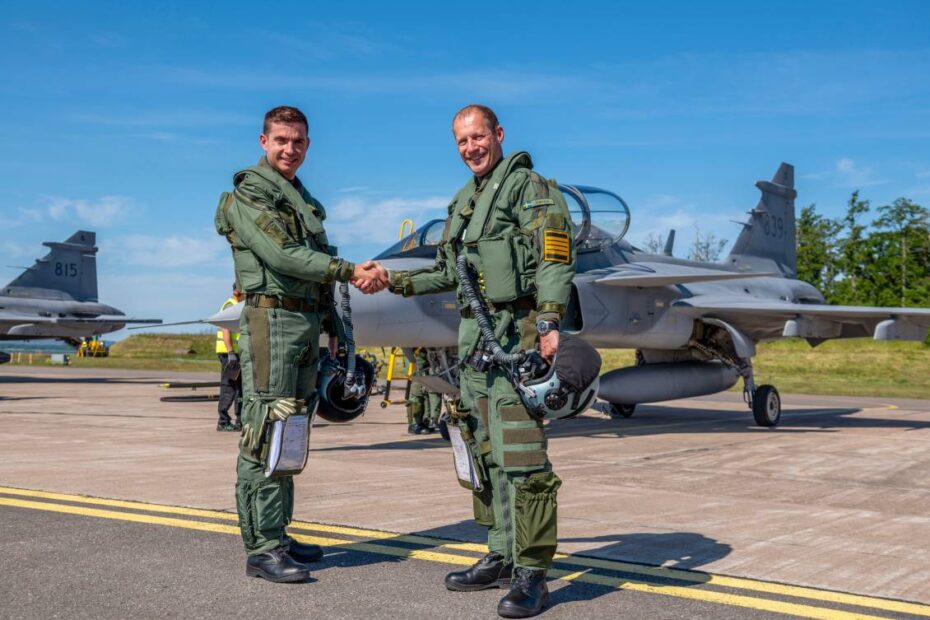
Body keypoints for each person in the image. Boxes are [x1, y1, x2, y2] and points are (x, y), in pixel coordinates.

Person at [379, 104, 575, 618]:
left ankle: (533, 573)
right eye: (462, 141)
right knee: (485, 454)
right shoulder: (464, 201)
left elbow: (555, 255)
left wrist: (550, 321)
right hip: (475, 343)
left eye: (478, 137)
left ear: (498, 135)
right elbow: (445, 272)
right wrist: (392, 278)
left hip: (517, 333)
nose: (471, 148)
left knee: (523, 458)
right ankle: (501, 553)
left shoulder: (529, 187)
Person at [215, 105, 386, 583]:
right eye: (281, 140)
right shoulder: (251, 194)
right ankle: (262, 547)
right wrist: (351, 270)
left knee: (290, 430)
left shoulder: (297, 198)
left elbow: (314, 262)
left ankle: (279, 534)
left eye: (299, 142)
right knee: (266, 429)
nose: (290, 149)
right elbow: (283, 255)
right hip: (272, 320)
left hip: (304, 322)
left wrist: (334, 328)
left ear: (307, 145)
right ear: (263, 141)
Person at [215, 284, 245, 432]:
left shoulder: (240, 306)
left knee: (241, 388)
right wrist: (231, 352)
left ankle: (240, 420)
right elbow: (226, 330)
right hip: (229, 354)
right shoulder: (230, 306)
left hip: (238, 354)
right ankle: (223, 421)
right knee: (229, 386)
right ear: (237, 291)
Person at [406, 347, 443, 435]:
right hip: (418, 350)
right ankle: (415, 424)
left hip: (431, 351)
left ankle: (428, 421)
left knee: (432, 386)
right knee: (418, 389)